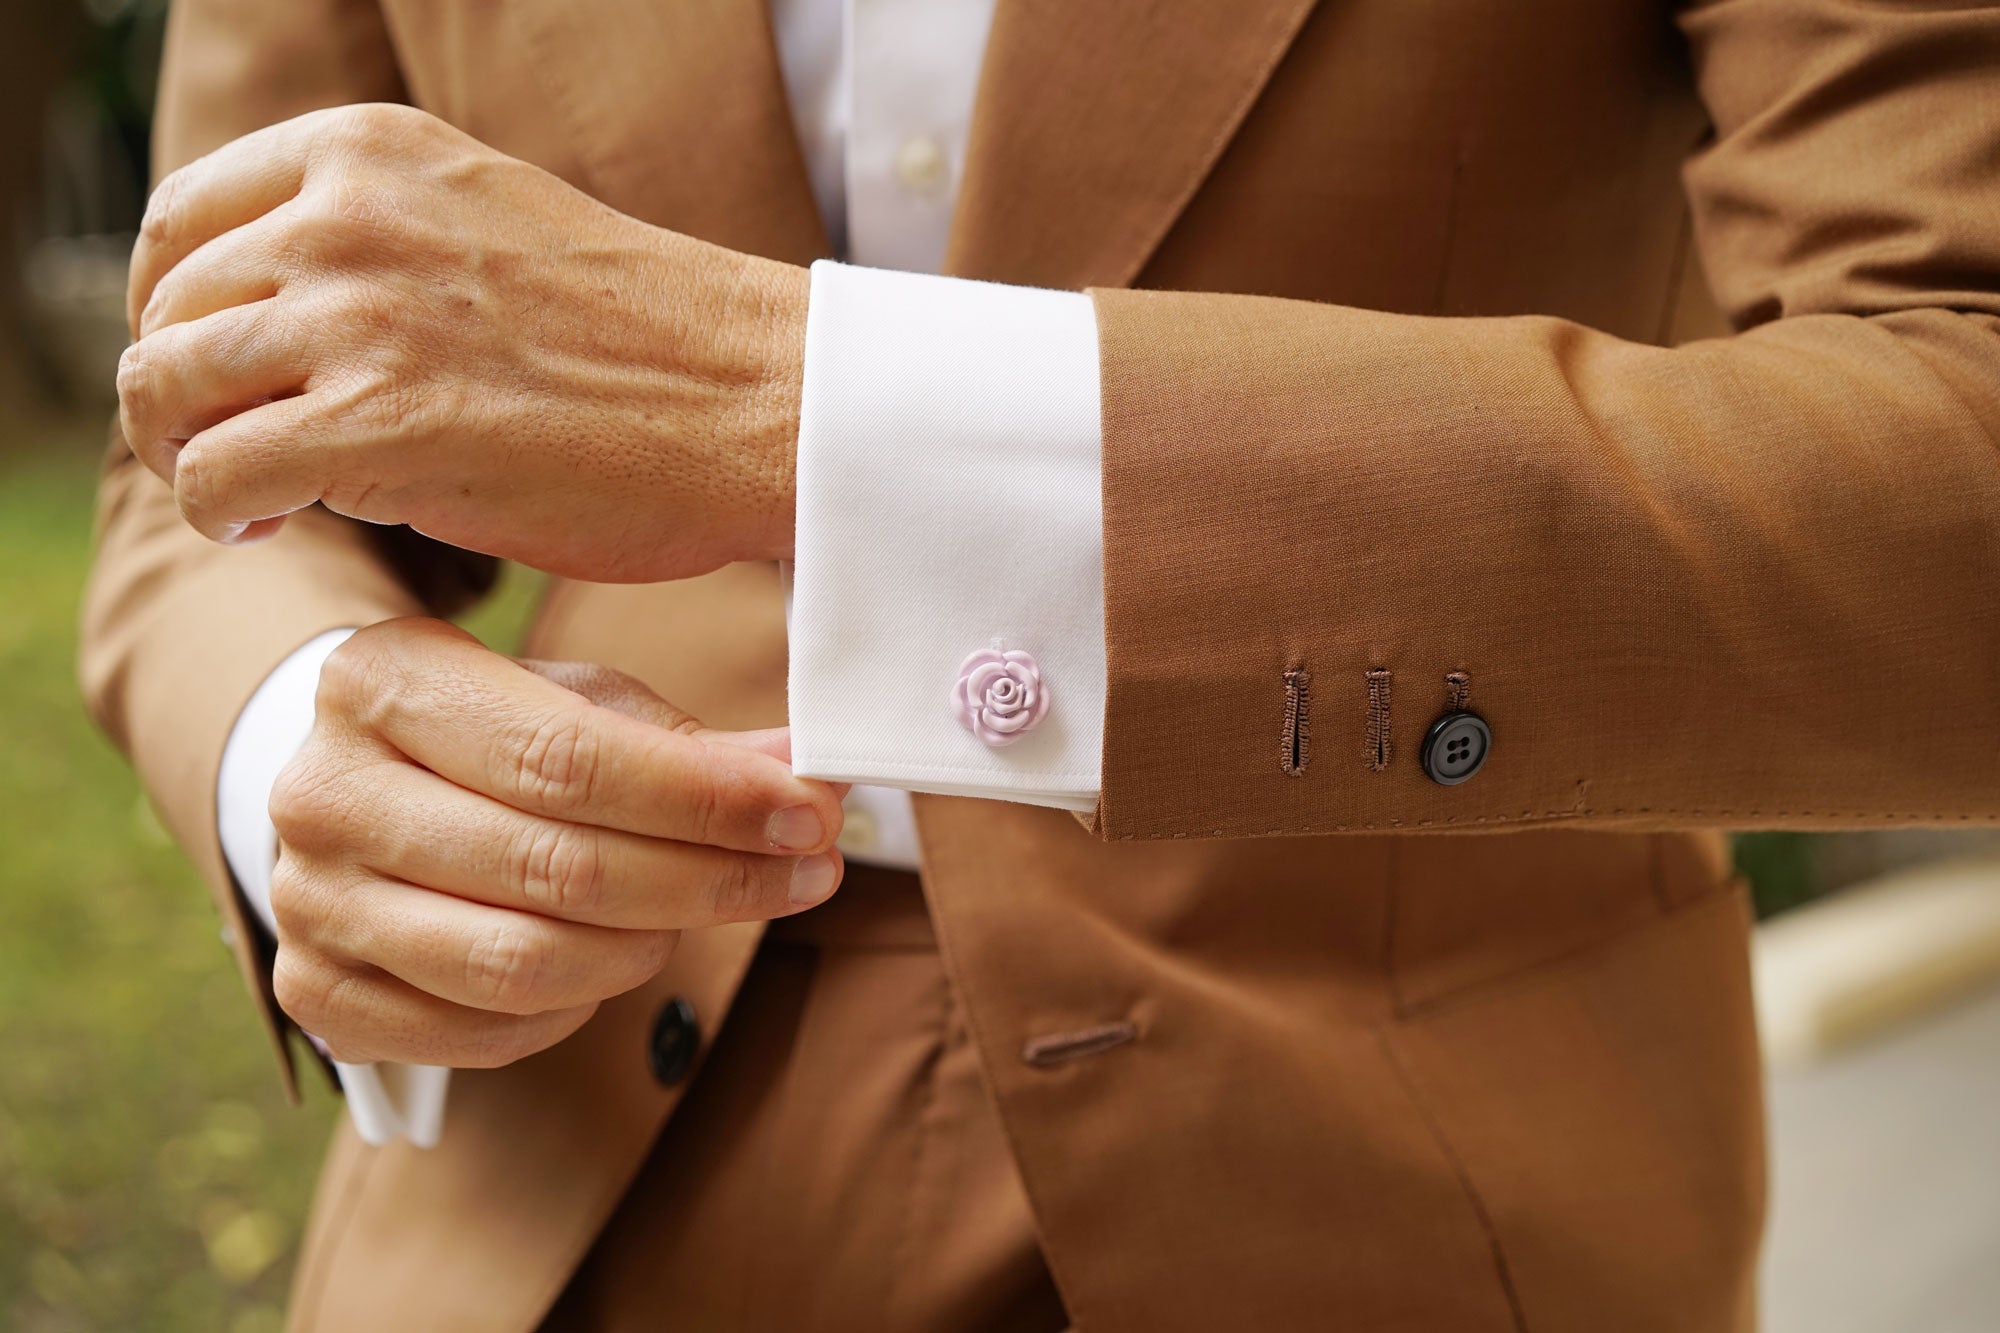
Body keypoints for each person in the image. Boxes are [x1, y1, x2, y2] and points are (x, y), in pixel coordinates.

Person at [82, 0, 2000, 1328]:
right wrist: (293, 739)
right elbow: (197, 431)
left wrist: (792, 401)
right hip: (552, 1176)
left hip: (1396, 1183)